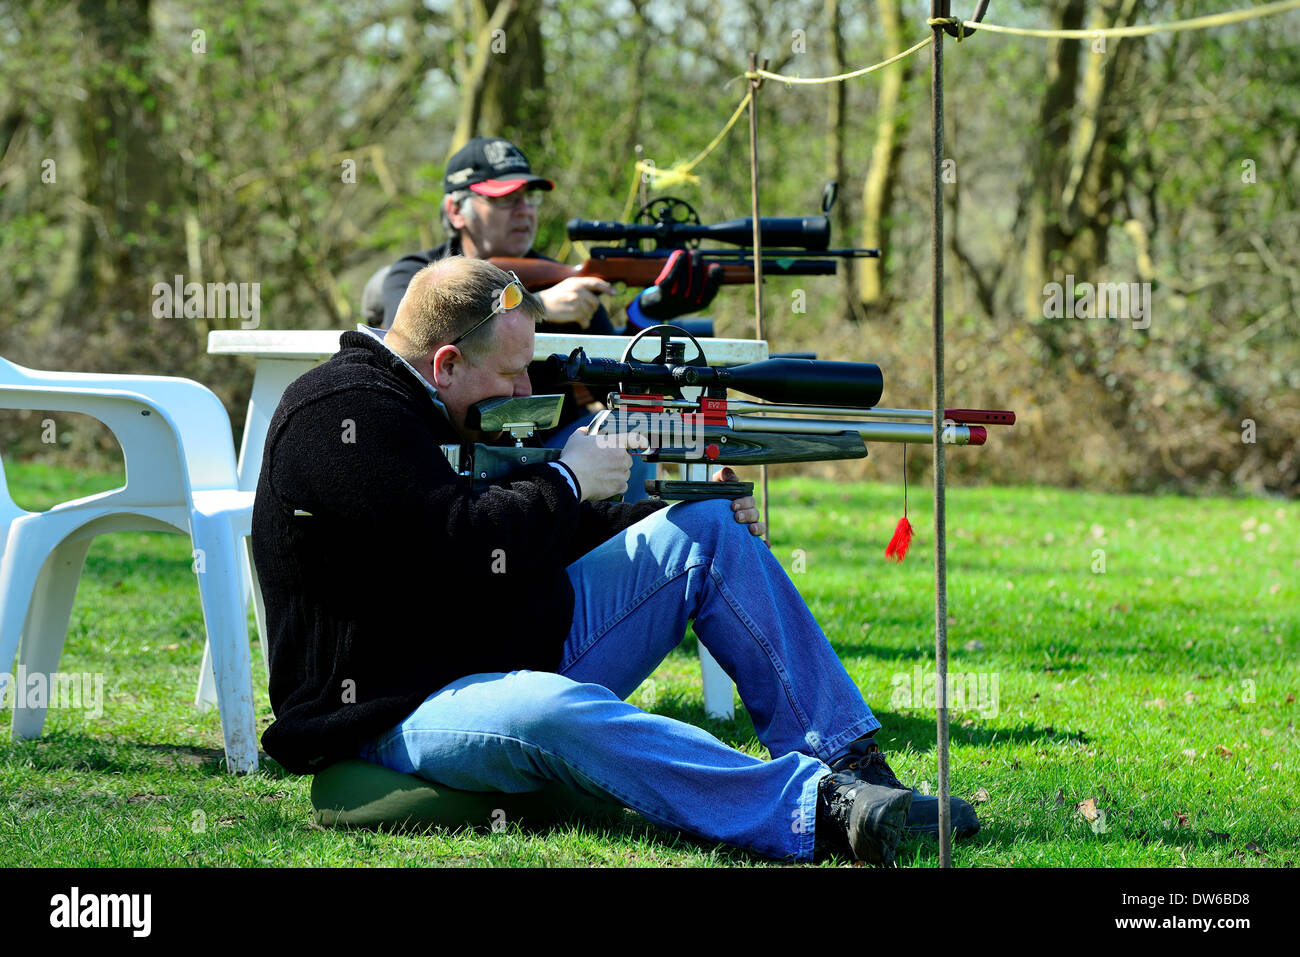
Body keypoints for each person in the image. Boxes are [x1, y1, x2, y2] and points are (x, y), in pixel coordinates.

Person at [254, 256, 978, 864]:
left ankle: (849, 762)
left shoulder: (430, 407)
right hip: (391, 709)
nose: (521, 391)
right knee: (551, 711)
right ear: (445, 364)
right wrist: (567, 477)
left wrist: (665, 509)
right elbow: (465, 542)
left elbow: (537, 535)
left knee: (705, 527)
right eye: (510, 374)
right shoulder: (342, 416)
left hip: (501, 644)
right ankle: (817, 810)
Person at [376, 136, 721, 502]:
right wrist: (537, 305)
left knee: (626, 430)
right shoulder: (417, 274)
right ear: (456, 210)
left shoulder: (564, 279)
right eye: (505, 199)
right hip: (443, 459)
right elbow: (417, 337)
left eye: (530, 197)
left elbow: (616, 383)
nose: (524, 210)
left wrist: (646, 314)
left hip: (552, 457)